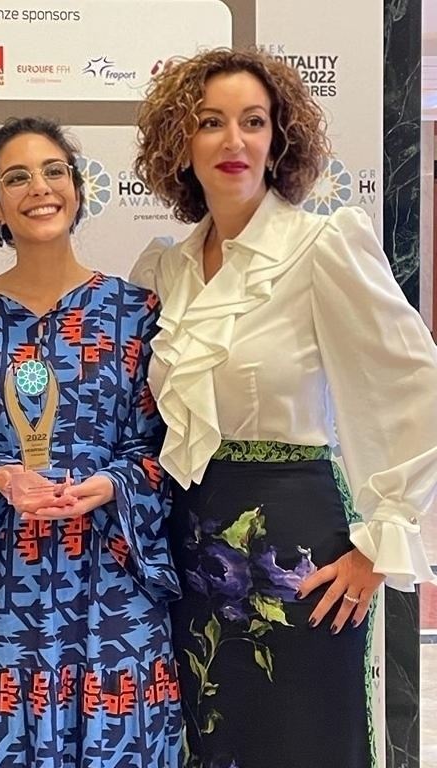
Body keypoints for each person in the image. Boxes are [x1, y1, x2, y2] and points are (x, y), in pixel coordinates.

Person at [129, 48, 437, 768]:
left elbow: (414, 385)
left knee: (304, 739)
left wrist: (379, 539)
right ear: (181, 141)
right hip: (189, 545)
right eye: (210, 122)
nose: (233, 141)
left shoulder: (323, 245)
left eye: (253, 121)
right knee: (210, 742)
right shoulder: (165, 270)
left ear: (279, 138)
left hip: (296, 552)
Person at [0, 117, 183, 768]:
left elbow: (166, 452)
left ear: (77, 188)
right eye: (16, 178)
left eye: (53, 171)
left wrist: (111, 485)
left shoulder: (136, 313)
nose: (39, 187)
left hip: (113, 594)